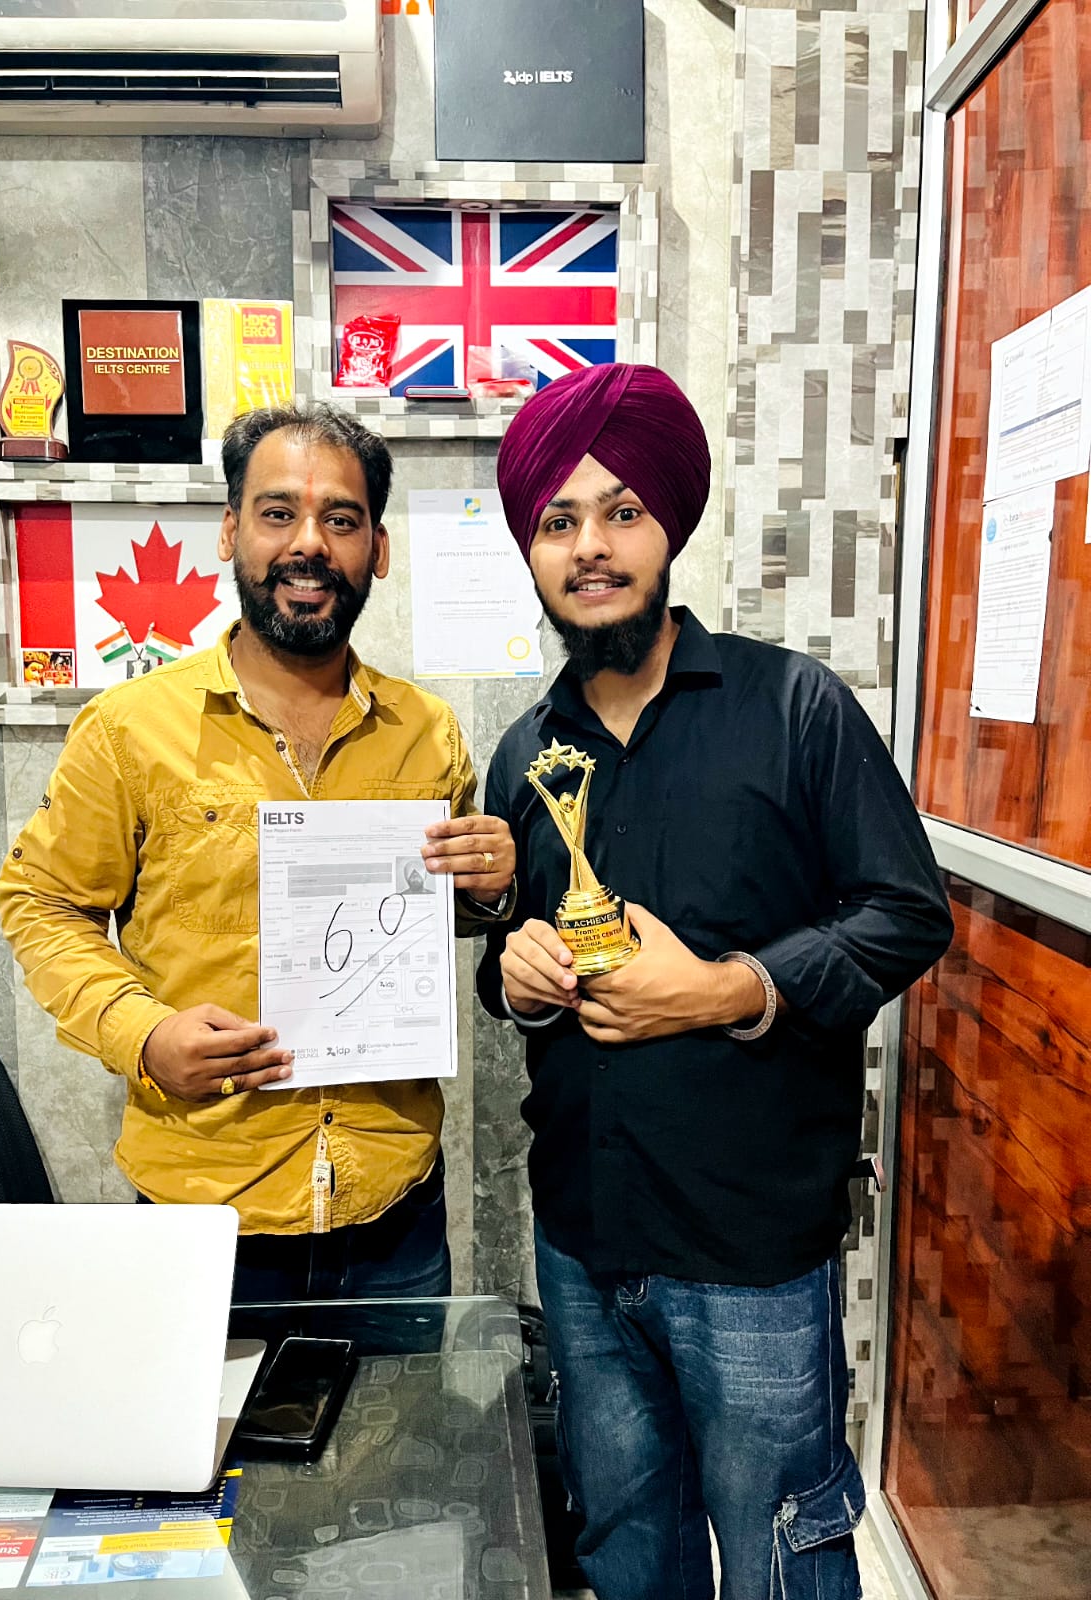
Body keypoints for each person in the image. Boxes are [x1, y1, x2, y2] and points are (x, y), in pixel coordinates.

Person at [476, 363, 953, 1600]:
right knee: (628, 1551)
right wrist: (517, 973)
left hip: (750, 1251)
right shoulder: (525, 754)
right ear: (532, 549)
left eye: (622, 511)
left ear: (669, 526)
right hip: (583, 1244)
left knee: (782, 1556)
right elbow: (510, 957)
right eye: (558, 521)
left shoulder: (794, 709)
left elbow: (906, 914)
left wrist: (732, 988)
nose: (591, 546)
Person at [0, 403, 515, 1303]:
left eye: (341, 519)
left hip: (395, 1209)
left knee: (408, 1409)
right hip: (203, 1216)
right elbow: (42, 902)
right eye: (279, 512)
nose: (308, 543)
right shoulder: (128, 729)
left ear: (378, 550)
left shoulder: (427, 732)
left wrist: (489, 889)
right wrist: (141, 1033)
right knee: (205, 1409)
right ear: (231, 530)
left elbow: (440, 910)